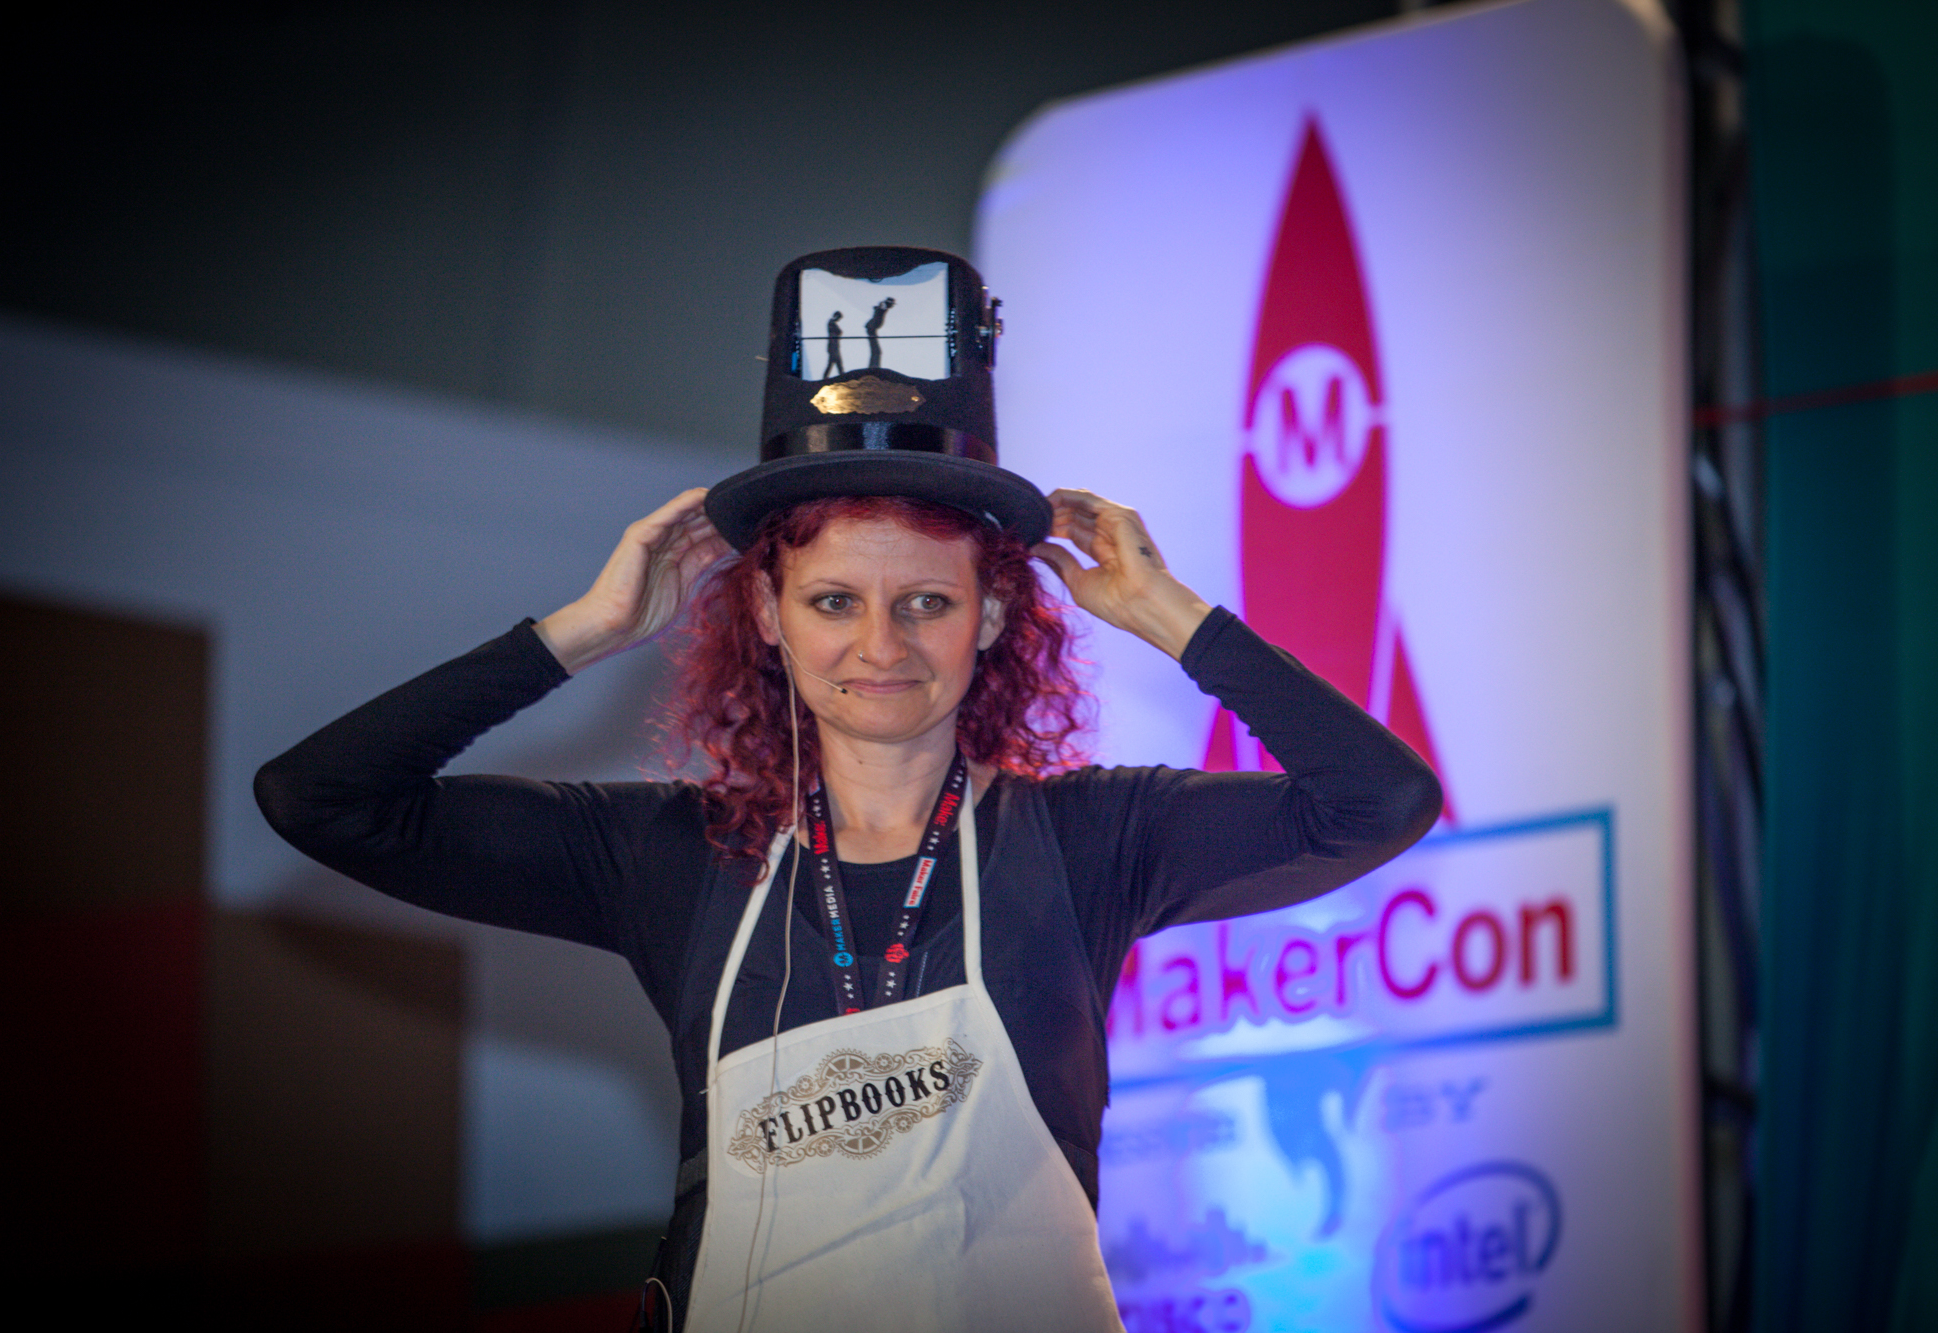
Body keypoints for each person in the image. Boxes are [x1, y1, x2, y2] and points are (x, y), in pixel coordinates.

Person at [255, 248, 1442, 1332]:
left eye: (926, 601)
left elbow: (1375, 801)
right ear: (767, 615)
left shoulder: (1092, 836)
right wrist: (584, 630)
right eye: (833, 601)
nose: (881, 645)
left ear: (992, 617)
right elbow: (324, 799)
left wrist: (1169, 615)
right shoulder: (671, 852)